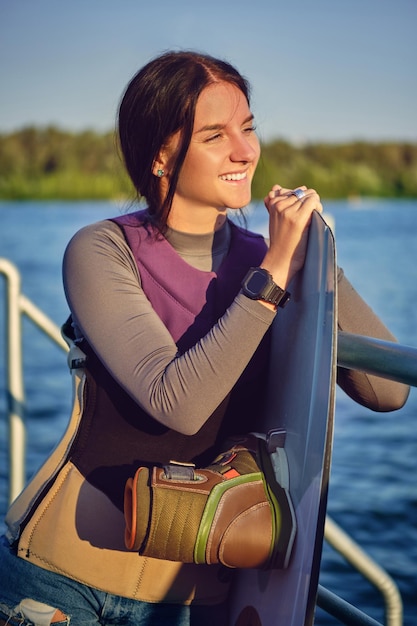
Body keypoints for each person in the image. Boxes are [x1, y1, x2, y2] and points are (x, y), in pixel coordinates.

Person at [0, 50, 409, 626]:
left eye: (248, 128)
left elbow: (388, 393)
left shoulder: (269, 259)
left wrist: (317, 259)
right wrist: (275, 274)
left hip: (194, 604)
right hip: (64, 587)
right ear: (162, 154)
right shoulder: (101, 250)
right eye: (216, 135)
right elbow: (180, 405)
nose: (245, 151)